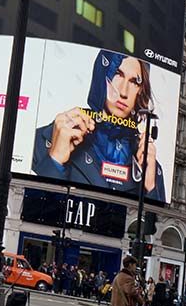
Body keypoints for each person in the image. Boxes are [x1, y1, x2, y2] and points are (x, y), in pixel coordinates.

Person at [33, 50, 164, 201]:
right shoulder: (50, 138)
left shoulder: (150, 165)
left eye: (134, 82)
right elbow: (28, 211)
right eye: (117, 74)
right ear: (102, 75)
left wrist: (150, 189)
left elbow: (161, 223)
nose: (123, 92)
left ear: (141, 91)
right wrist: (54, 161)